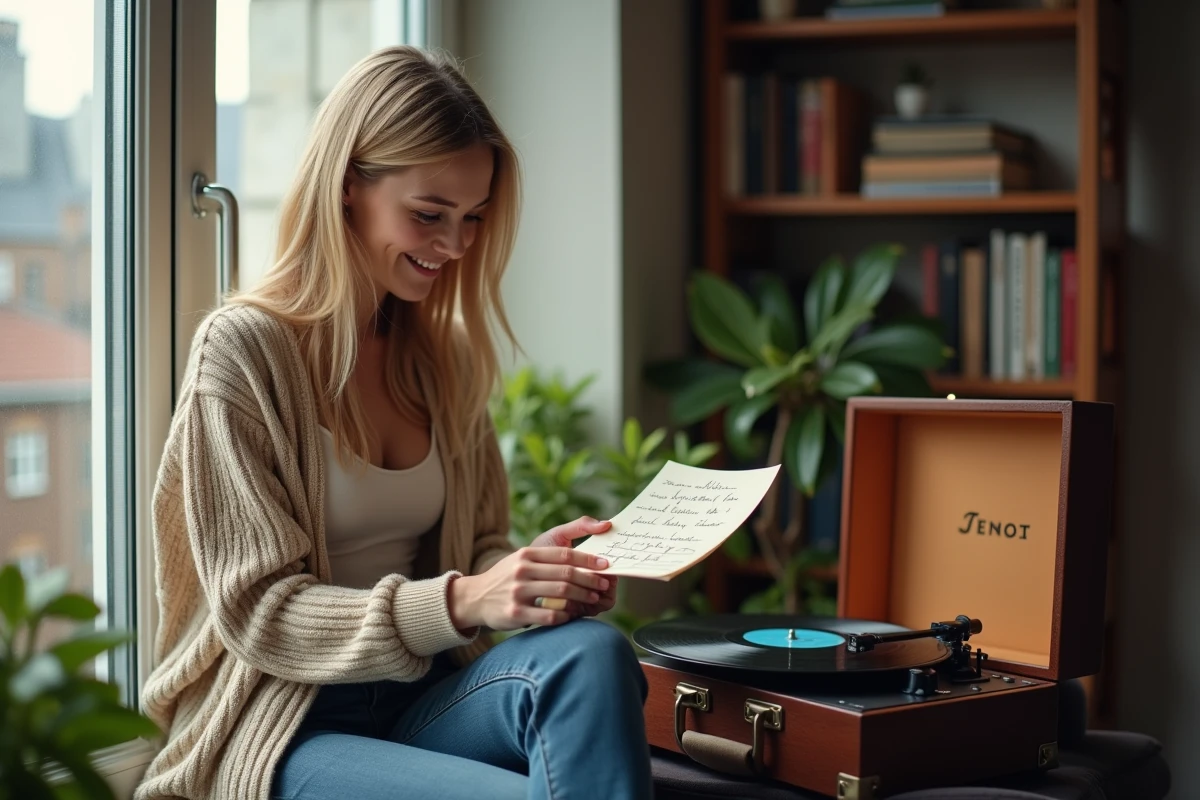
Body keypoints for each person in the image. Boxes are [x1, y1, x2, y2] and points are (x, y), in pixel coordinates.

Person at [135, 45, 653, 800]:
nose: (454, 246)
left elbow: (476, 546)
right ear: (348, 186)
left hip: (424, 700)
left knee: (594, 656)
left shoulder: (444, 360)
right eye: (428, 215)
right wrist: (466, 599)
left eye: (472, 218)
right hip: (287, 725)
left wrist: (528, 576)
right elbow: (258, 612)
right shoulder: (243, 352)